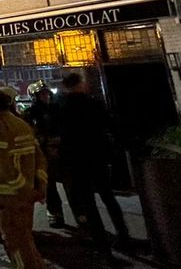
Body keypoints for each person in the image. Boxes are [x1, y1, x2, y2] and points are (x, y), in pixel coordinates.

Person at [59, 73, 130, 266]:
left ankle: (103, 249)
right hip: (97, 159)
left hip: (76, 162)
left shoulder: (62, 108)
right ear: (79, 85)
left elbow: (60, 137)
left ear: (66, 87)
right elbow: (111, 126)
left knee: (89, 205)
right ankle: (124, 237)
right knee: (108, 198)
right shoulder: (94, 104)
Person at [0, 88, 48, 269]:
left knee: (15, 243)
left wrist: (24, 190)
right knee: (26, 239)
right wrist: (40, 187)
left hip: (9, 196)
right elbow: (40, 158)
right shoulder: (22, 124)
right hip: (27, 196)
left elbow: (2, 165)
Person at [23, 79, 68, 228]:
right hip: (44, 153)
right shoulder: (31, 113)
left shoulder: (56, 109)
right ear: (35, 96)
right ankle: (55, 214)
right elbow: (30, 133)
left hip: (61, 151)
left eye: (46, 94)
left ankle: (81, 214)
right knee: (49, 185)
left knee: (70, 183)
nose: (45, 96)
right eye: (42, 94)